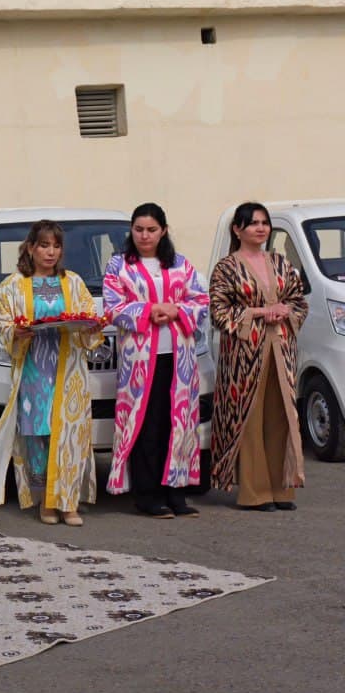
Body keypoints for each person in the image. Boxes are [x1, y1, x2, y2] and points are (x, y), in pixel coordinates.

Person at [0, 221, 103, 525]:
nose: (50, 252)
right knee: (37, 437)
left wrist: (91, 328)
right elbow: (3, 325)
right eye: (44, 245)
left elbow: (87, 324)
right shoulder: (12, 286)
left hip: (69, 374)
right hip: (33, 373)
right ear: (30, 248)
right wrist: (17, 332)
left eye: (56, 246)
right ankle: (45, 501)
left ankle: (68, 504)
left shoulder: (74, 283)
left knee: (68, 435)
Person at [103, 203, 209, 519]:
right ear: (131, 231)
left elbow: (200, 300)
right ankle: (147, 495)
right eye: (139, 229)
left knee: (178, 424)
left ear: (163, 230)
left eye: (151, 230)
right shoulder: (118, 266)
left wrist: (176, 310)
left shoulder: (180, 265)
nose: (145, 236)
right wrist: (149, 311)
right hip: (139, 362)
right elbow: (112, 306)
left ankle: (176, 493)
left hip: (179, 360)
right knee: (145, 426)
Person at [209, 202, 308, 510]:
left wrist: (285, 310)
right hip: (243, 355)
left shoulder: (280, 262)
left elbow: (298, 301)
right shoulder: (226, 267)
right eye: (253, 223)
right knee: (248, 419)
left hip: (280, 349)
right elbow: (218, 311)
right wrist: (258, 312)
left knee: (281, 418)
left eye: (264, 222)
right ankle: (255, 493)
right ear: (238, 229)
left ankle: (282, 491)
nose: (261, 228)